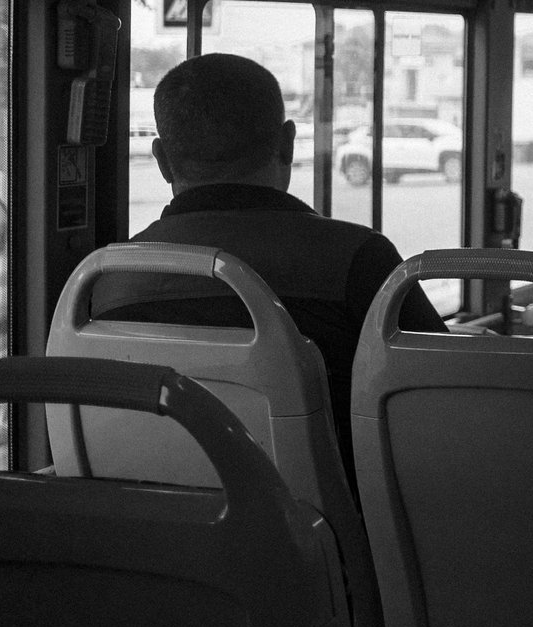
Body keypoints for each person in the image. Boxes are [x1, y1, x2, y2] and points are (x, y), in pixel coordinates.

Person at [95, 53, 447, 481]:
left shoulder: (108, 278)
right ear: (287, 143)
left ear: (162, 160)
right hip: (336, 535)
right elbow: (437, 405)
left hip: (163, 528)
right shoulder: (357, 260)